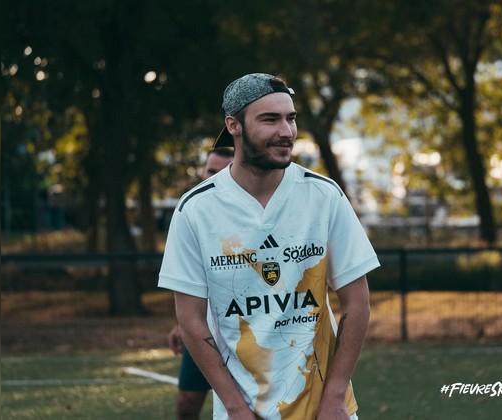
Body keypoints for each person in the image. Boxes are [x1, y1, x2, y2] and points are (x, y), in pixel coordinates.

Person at [159, 73, 379, 420]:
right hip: (242, 412)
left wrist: (335, 397)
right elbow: (189, 320)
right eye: (270, 119)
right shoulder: (196, 210)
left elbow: (357, 302)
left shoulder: (323, 196)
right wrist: (234, 408)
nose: (286, 131)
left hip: (325, 409)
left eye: (290, 118)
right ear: (234, 125)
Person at [167, 147, 234, 420]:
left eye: (220, 172)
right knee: (187, 403)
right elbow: (191, 285)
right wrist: (182, 324)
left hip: (246, 333)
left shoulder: (253, 217)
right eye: (210, 171)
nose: (212, 178)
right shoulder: (193, 214)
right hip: (205, 331)